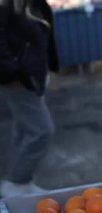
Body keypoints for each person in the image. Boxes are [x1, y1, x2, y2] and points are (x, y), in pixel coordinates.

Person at [0, 0, 58, 198]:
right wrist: (14, 70)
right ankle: (15, 184)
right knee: (41, 130)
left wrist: (42, 68)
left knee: (24, 129)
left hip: (30, 76)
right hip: (19, 79)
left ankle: (21, 181)